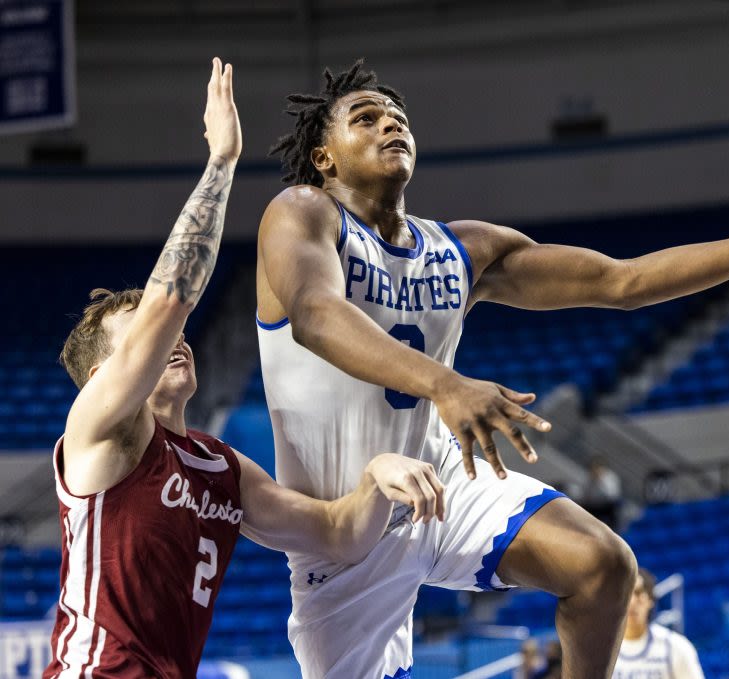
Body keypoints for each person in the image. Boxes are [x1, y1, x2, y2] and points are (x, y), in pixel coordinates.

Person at [256, 59, 729, 678]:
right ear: (325, 157)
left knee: (602, 566)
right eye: (366, 117)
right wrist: (446, 384)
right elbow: (315, 314)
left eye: (398, 117)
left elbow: (622, 281)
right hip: (343, 527)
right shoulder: (301, 212)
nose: (391, 123)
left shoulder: (461, 249)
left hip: (440, 484)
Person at [44, 60, 444, 679]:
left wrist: (376, 476)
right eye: (143, 341)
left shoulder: (218, 468)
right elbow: (170, 300)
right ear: (102, 379)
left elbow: (339, 535)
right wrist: (222, 162)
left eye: (176, 335)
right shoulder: (97, 434)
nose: (174, 339)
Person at [612, 568, 704, 679]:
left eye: (638, 593)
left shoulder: (676, 647)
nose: (632, 602)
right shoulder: (600, 649)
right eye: (626, 593)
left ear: (650, 600)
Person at [581, 456, 623, 529]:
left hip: (607, 506)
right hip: (593, 505)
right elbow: (586, 495)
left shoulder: (610, 477)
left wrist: (599, 480)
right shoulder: (589, 478)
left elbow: (611, 495)